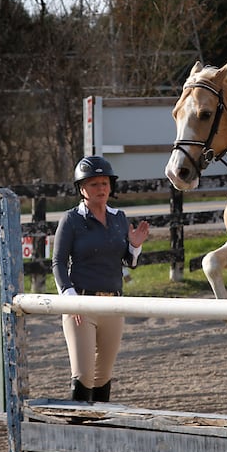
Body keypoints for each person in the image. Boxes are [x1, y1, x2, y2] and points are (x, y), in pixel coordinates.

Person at [52, 155, 150, 403]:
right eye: (94, 184)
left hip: (114, 305)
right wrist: (71, 300)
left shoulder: (119, 217)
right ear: (82, 188)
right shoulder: (71, 219)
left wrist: (135, 247)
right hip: (81, 307)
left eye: (105, 183)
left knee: (103, 375)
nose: (101, 189)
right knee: (84, 375)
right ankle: (78, 431)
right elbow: (58, 263)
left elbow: (130, 263)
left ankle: (100, 429)